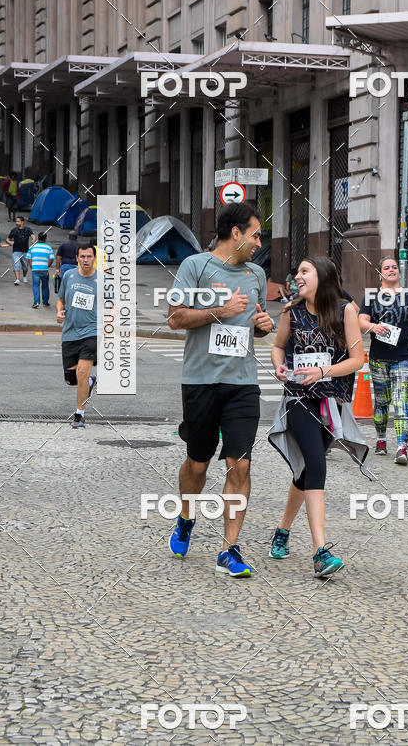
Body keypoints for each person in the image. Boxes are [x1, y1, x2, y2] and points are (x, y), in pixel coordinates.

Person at [167, 202, 273, 577]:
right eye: (256, 234)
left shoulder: (257, 274)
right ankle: (185, 516)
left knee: (240, 464)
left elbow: (255, 323)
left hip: (242, 382)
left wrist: (262, 325)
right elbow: (175, 318)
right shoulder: (195, 266)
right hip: (200, 381)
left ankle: (229, 549)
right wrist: (220, 311)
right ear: (236, 233)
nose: (260, 243)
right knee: (198, 464)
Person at [268, 256, 367, 577]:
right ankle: (320, 552)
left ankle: (282, 530)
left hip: (332, 401)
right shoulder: (291, 311)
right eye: (297, 271)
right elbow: (278, 346)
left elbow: (357, 360)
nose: (298, 276)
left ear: (323, 277)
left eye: (304, 271)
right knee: (317, 464)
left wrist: (324, 370)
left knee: (307, 469)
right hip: (298, 397)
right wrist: (279, 366)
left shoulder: (345, 311)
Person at [358, 256, 408, 464]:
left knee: (401, 401)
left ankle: (402, 448)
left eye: (394, 267)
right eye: (386, 268)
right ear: (380, 273)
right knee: (382, 401)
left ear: (399, 271)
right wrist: (372, 327)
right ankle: (381, 439)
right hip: (379, 357)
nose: (391, 270)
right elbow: (361, 320)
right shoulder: (371, 297)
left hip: (405, 356)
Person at [56, 243, 98, 429]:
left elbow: (112, 303)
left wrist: (112, 316)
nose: (86, 260)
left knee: (82, 371)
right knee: (72, 379)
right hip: (70, 333)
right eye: (83, 257)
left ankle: (79, 415)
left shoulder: (103, 280)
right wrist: (59, 312)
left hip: (92, 332)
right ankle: (89, 382)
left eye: (89, 256)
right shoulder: (68, 276)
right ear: (77, 258)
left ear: (94, 258)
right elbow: (61, 300)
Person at [26, 232, 55, 308]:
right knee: (45, 286)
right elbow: (52, 258)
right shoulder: (48, 247)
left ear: (38, 238)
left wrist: (31, 265)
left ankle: (36, 302)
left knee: (36, 286)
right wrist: (48, 265)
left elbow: (29, 257)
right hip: (44, 270)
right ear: (45, 238)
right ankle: (45, 302)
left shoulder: (32, 247)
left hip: (35, 270)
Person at [6, 215, 35, 285]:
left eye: (18, 221)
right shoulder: (14, 230)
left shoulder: (27, 229)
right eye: (16, 221)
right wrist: (9, 242)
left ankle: (24, 276)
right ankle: (17, 279)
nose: (16, 223)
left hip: (25, 251)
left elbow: (33, 235)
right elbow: (8, 239)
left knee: (25, 266)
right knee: (16, 264)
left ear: (22, 222)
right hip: (16, 251)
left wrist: (33, 239)